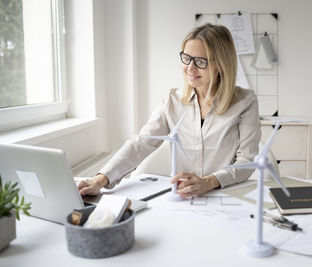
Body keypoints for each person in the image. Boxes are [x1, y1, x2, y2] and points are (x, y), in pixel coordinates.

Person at [78, 23, 261, 198]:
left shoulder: (245, 102)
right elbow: (142, 143)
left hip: (226, 195)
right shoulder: (172, 100)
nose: (190, 68)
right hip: (182, 196)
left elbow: (246, 161)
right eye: (187, 58)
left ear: (221, 65)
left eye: (200, 61)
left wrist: (208, 182)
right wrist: (101, 179)